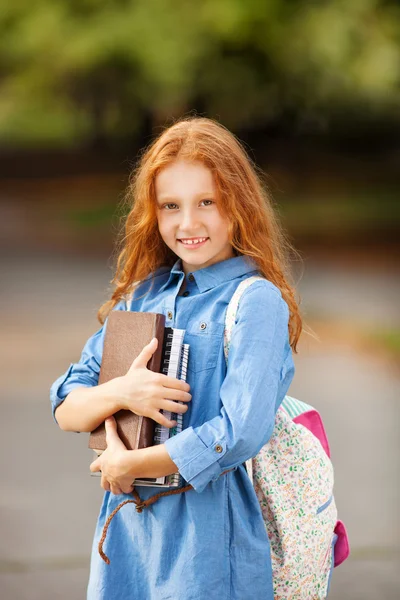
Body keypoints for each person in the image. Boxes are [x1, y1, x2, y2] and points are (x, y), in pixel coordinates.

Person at [50, 116, 302, 600]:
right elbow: (66, 403)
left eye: (207, 201)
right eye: (171, 206)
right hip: (128, 537)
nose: (188, 223)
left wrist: (132, 465)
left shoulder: (254, 302)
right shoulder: (142, 296)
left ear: (239, 204)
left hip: (208, 542)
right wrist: (121, 392)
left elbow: (238, 431)